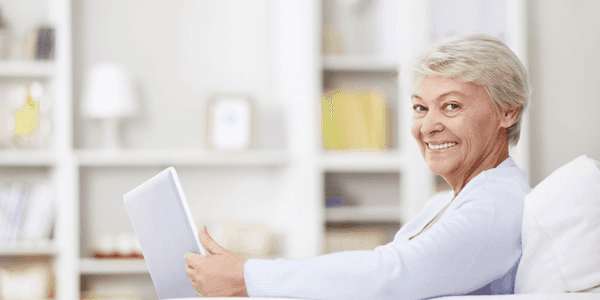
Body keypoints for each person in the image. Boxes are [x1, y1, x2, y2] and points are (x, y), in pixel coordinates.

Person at [184, 33, 531, 299]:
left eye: (451, 106)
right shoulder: (444, 202)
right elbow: (378, 272)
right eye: (421, 108)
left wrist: (249, 277)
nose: (427, 127)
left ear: (507, 111)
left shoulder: (498, 204)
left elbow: (394, 274)